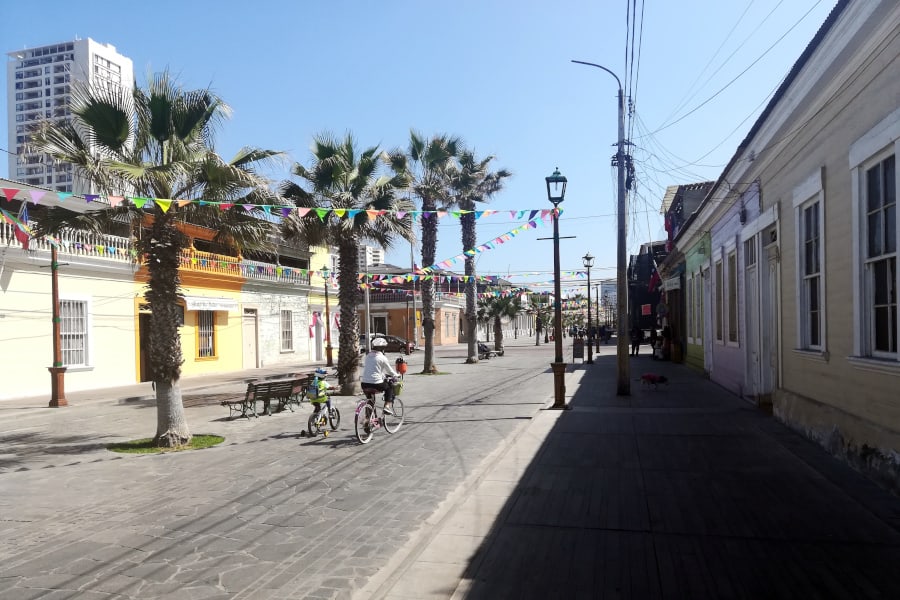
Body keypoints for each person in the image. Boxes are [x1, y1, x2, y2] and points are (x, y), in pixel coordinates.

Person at [362, 337, 399, 413]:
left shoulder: (368, 356)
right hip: (376, 384)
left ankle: (367, 419)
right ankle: (387, 406)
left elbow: (373, 369)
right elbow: (390, 371)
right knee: (389, 387)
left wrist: (382, 374)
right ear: (382, 348)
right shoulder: (382, 358)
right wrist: (396, 375)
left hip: (364, 384)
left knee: (370, 400)